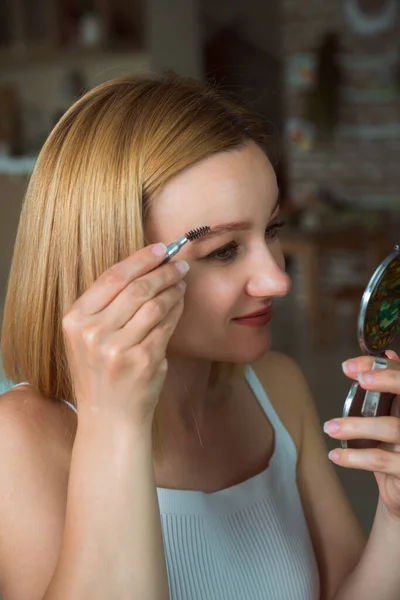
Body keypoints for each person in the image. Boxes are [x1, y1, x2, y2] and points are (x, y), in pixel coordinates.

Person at [1, 73, 400, 600]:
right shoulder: (22, 439)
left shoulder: (277, 389)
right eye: (223, 252)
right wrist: (115, 422)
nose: (277, 279)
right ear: (113, 266)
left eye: (272, 230)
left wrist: (396, 518)